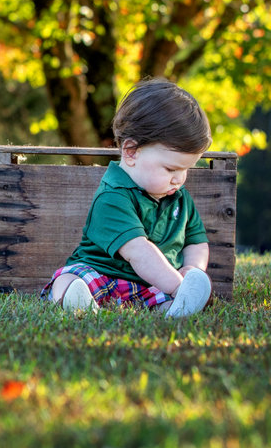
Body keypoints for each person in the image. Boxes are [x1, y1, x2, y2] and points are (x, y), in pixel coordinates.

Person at [45, 79, 213, 318]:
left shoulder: (179, 197)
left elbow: (196, 241)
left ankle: (176, 310)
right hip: (103, 275)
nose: (179, 179)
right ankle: (76, 302)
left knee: (163, 298)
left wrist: (191, 271)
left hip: (150, 284)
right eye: (170, 169)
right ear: (131, 152)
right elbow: (138, 251)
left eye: (185, 169)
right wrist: (178, 286)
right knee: (71, 277)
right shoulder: (113, 196)